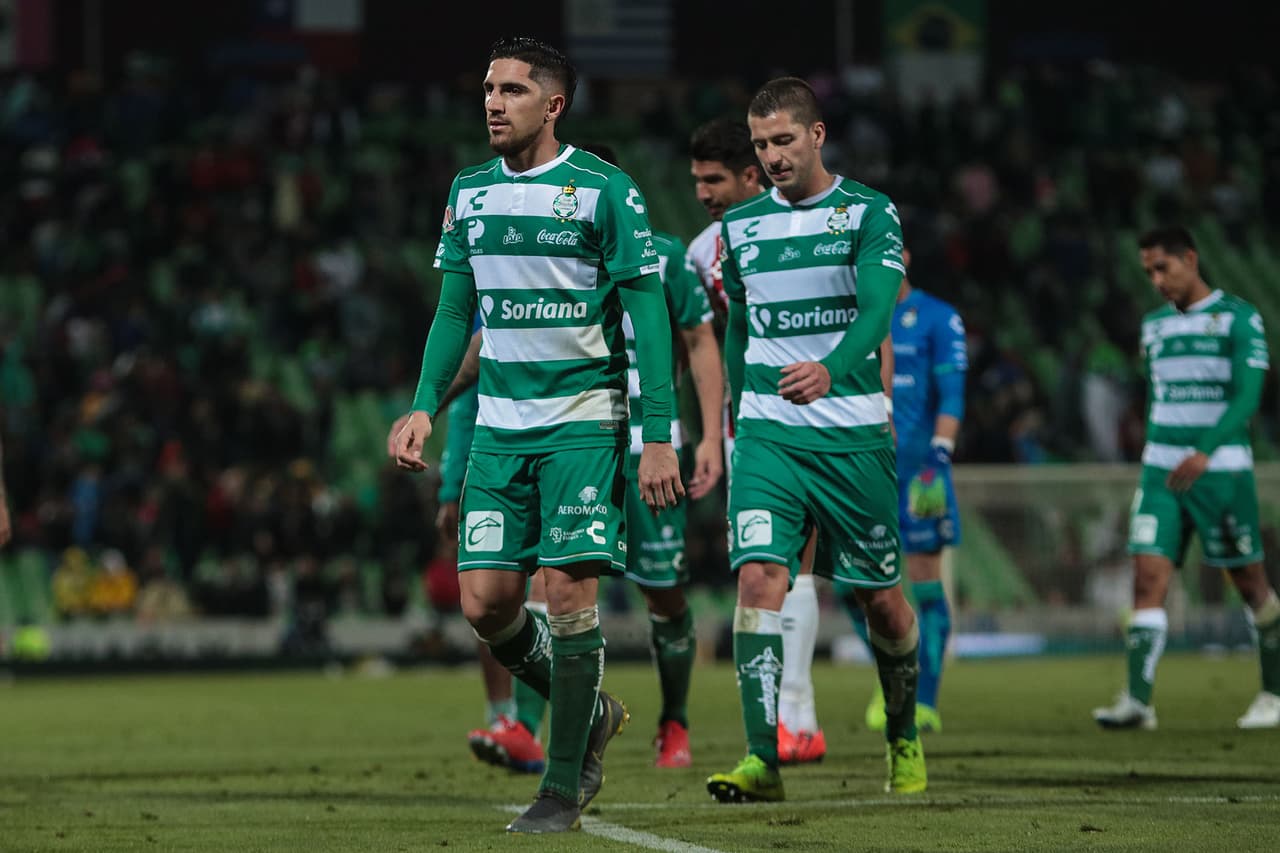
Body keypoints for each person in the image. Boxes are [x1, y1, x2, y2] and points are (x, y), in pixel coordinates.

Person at [392, 36, 684, 834]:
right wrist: (425, 404)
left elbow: (649, 315)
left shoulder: (603, 191)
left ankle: (561, 787)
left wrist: (656, 431)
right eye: (488, 87)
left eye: (513, 90)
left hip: (583, 422)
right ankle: (588, 711)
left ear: (553, 105)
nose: (493, 101)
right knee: (485, 603)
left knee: (566, 591)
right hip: (498, 427)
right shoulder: (470, 193)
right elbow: (457, 311)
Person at [705, 77, 926, 805]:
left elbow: (876, 314)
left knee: (880, 600)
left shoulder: (868, 213)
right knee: (759, 579)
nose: (771, 156)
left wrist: (833, 368)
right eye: (761, 144)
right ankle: (761, 757)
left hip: (853, 433)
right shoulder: (740, 229)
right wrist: (737, 410)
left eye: (783, 140)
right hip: (769, 434)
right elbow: (737, 325)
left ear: (817, 135)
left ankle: (901, 732)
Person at [1092, 225, 1280, 731]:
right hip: (1161, 471)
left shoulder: (1239, 319)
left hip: (1221, 472)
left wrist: (1205, 449)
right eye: (1148, 271)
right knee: (1147, 578)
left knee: (1250, 583)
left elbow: (1248, 396)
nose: (1155, 280)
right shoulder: (1153, 327)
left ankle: (1274, 693)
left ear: (1190, 260)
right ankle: (1138, 701)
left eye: (1163, 268)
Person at [837, 245, 967, 735]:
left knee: (926, 583)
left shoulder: (937, 318)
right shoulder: (852, 318)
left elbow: (952, 394)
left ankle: (925, 699)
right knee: (854, 587)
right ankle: (892, 676)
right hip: (864, 471)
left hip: (921, 474)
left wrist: (940, 455)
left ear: (904, 258)